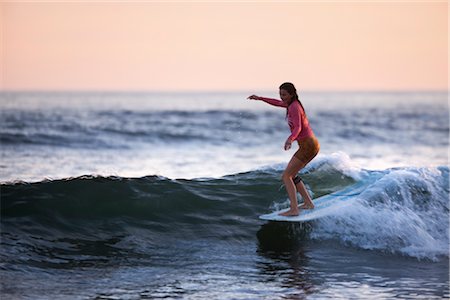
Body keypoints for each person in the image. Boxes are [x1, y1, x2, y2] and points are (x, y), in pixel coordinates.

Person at [247, 82, 320, 216]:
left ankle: (294, 209)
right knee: (292, 175)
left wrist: (290, 139)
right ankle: (308, 203)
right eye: (280, 94)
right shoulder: (291, 104)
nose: (282, 97)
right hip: (309, 145)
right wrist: (260, 98)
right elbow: (277, 103)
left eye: (284, 94)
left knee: (286, 176)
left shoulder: (294, 107)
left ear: (292, 94)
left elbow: (298, 127)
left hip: (308, 145)